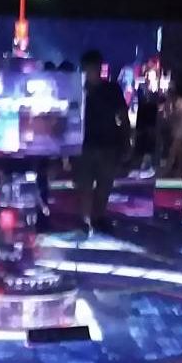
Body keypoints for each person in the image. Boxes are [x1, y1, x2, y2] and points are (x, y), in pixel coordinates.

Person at [76, 50, 130, 233]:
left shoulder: (112, 89)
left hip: (108, 145)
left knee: (104, 185)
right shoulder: (79, 91)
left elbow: (123, 116)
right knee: (85, 185)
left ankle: (98, 217)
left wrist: (126, 141)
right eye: (90, 68)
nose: (94, 71)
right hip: (85, 146)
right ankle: (86, 218)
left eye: (96, 68)